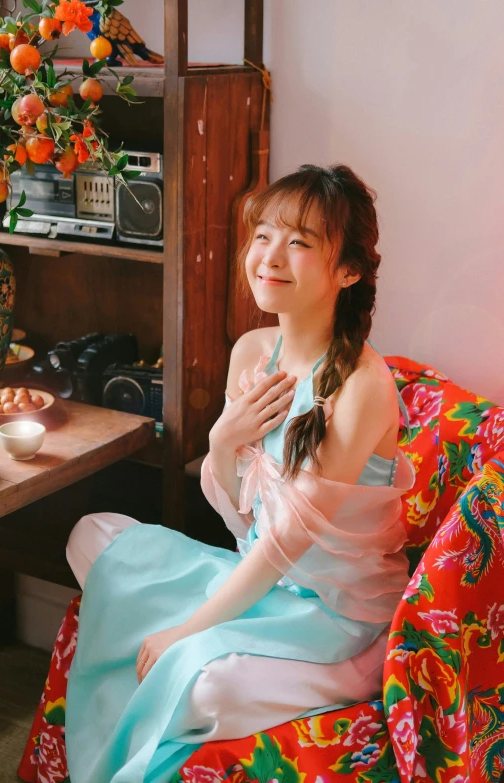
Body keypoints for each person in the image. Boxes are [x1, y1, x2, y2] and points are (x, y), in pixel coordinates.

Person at [64, 164, 416, 783]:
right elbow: (244, 524)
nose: (270, 257)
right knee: (93, 533)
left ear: (348, 271)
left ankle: (349, 677)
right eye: (263, 235)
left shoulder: (365, 387)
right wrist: (222, 441)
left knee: (206, 687)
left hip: (335, 617)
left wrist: (185, 630)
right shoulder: (254, 351)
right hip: (259, 581)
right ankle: (209, 645)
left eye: (301, 242)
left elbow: (285, 546)